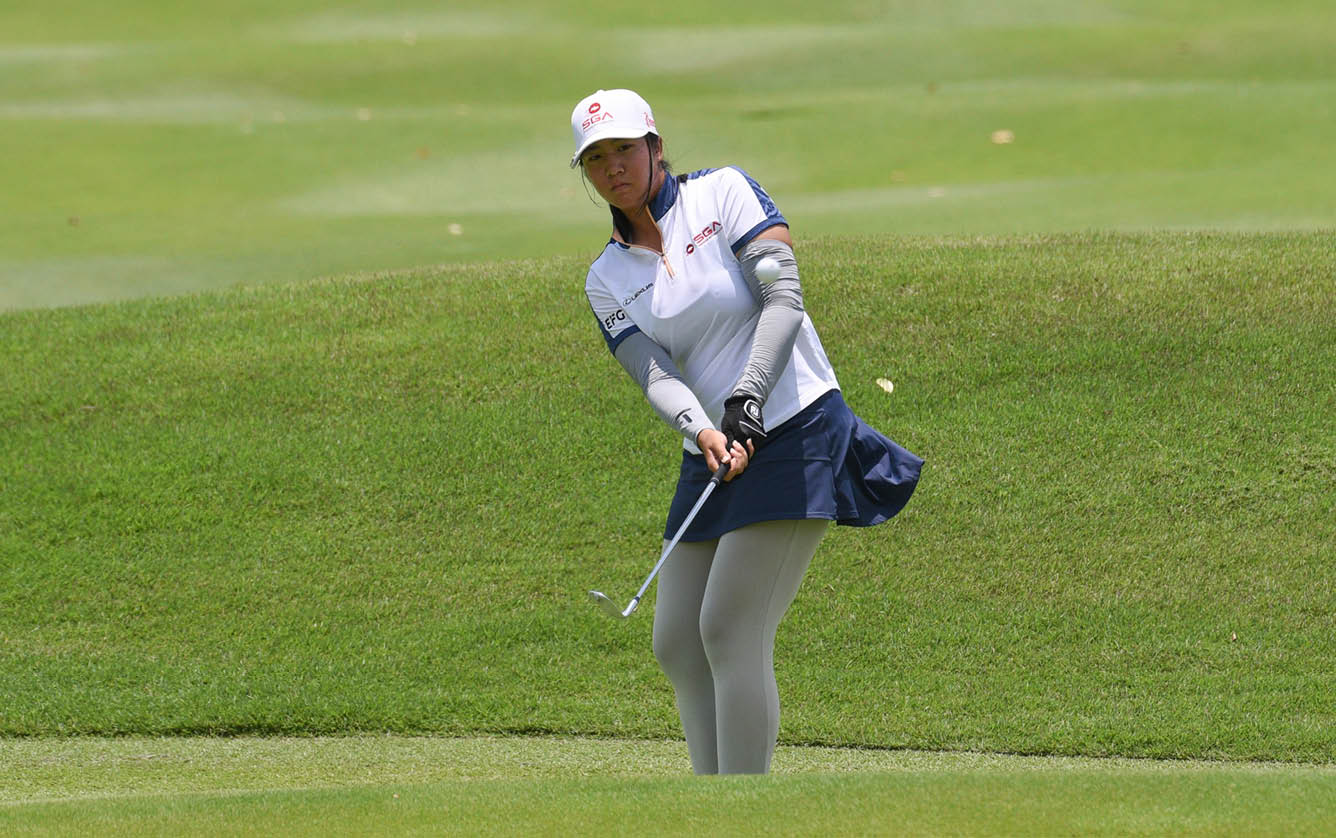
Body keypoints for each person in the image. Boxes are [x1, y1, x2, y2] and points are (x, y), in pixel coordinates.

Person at [571, 89, 923, 775]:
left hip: (795, 425)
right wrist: (702, 427)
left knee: (728, 629)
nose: (613, 167)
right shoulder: (605, 278)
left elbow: (783, 299)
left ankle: (744, 809)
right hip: (712, 449)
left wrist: (748, 397)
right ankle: (712, 805)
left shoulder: (725, 194)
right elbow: (655, 373)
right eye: (595, 158)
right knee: (675, 640)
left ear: (656, 146)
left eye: (623, 149)